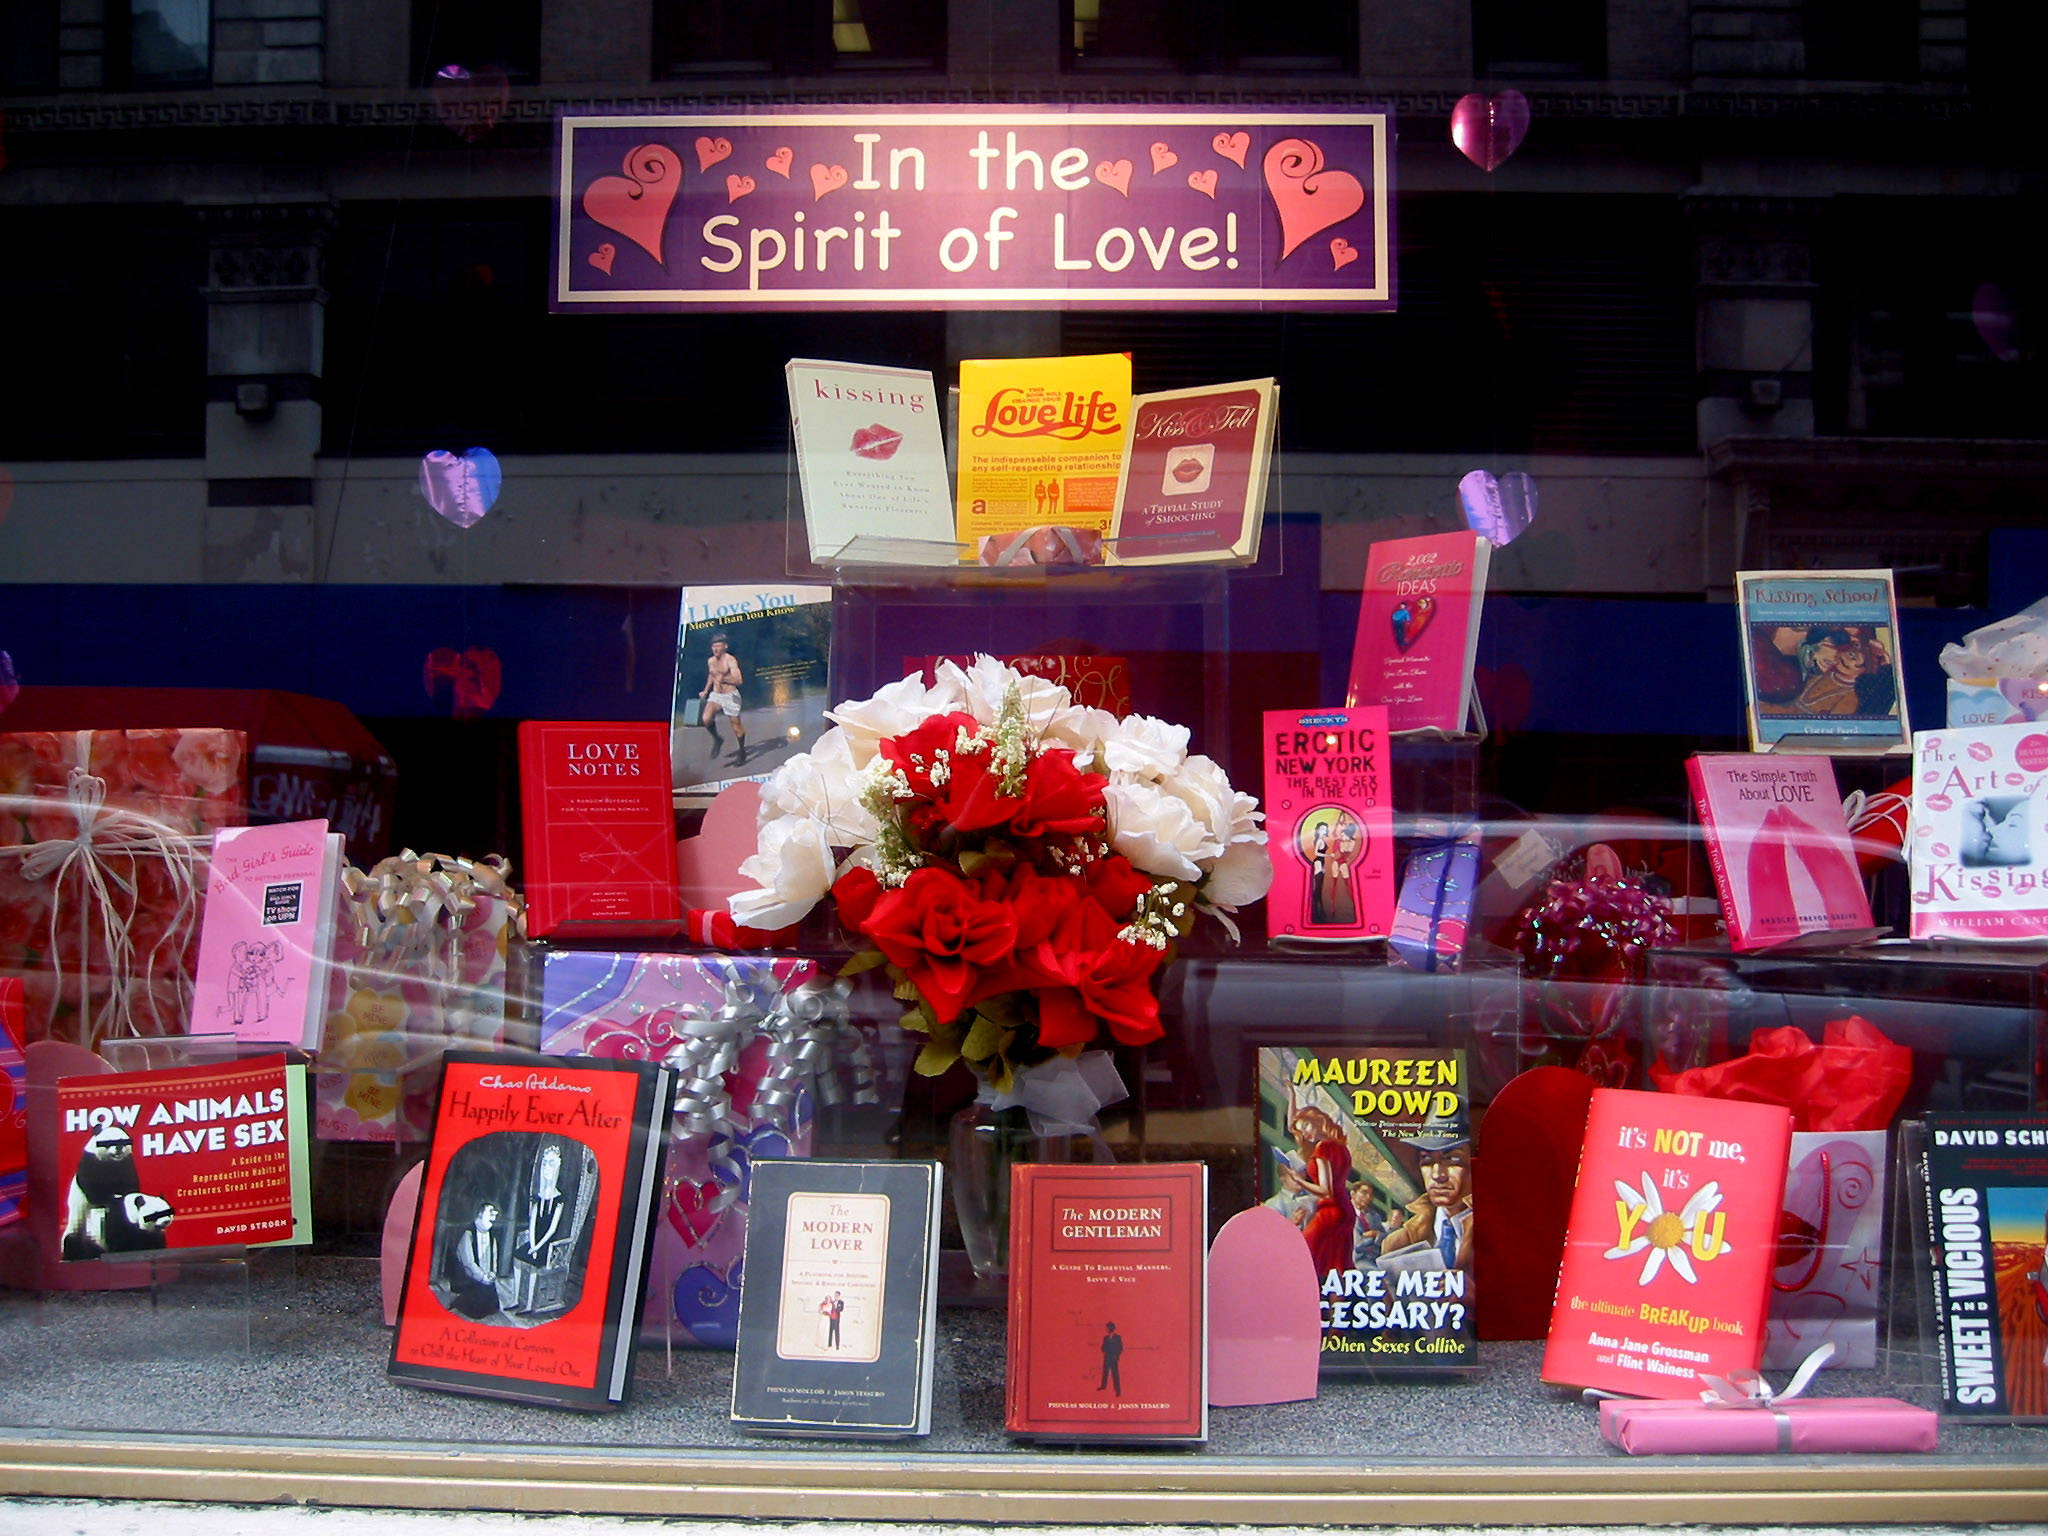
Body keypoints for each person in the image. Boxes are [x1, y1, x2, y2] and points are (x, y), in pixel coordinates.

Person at [1378, 1108, 1474, 1272]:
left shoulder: (1496, 1230)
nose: (1437, 1175)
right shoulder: (1398, 1244)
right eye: (1427, 1160)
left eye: (1452, 1159)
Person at [1278, 1093, 1354, 1284]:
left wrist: (1299, 1180)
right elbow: (1292, 1125)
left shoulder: (1323, 1149)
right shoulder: (1341, 1147)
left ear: (1318, 1120)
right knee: (1337, 1269)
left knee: (1301, 1254)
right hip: (1346, 1211)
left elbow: (1325, 1190)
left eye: (1307, 1126)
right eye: (1302, 1131)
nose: (1305, 1133)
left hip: (1330, 1211)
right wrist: (1292, 1095)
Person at [513, 1142, 566, 1314]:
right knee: (518, 1258)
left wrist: (537, 1247)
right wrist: (532, 1244)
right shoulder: (538, 1195)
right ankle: (515, 1299)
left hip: (547, 1245)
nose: (546, 1167)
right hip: (535, 1239)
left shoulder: (559, 1199)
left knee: (534, 1263)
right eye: (544, 1163)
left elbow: (552, 1229)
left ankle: (529, 1305)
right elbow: (533, 1222)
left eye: (550, 1163)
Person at [697, 632, 747, 767]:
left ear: (725, 646)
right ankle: (717, 739)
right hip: (716, 695)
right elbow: (711, 675)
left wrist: (724, 678)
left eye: (718, 646)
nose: (716, 649)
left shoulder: (730, 660)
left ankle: (742, 751)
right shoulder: (711, 661)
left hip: (731, 695)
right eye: (714, 646)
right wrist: (706, 690)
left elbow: (739, 680)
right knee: (706, 718)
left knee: (736, 726)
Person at [450, 1201, 504, 1320]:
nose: (494, 1215)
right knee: (474, 1308)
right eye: (490, 1212)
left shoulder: (492, 1236)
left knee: (492, 1307)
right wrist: (482, 1277)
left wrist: (492, 1273)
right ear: (480, 1215)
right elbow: (468, 1262)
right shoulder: (468, 1234)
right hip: (470, 1280)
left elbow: (494, 1257)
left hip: (485, 1280)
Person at [1316, 814, 1360, 926]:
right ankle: (1332, 908)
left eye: (1344, 833)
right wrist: (1341, 817)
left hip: (1342, 862)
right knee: (1334, 884)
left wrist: (1344, 843)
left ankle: (1354, 905)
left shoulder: (1350, 842)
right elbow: (1336, 830)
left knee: (1347, 884)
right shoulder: (1340, 839)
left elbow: (1346, 853)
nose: (1342, 834)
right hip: (1336, 862)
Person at [1098, 1320, 1123, 1396]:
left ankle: (1118, 1391)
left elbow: (1120, 1348)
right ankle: (1103, 1386)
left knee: (1115, 1374)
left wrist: (1116, 1356)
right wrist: (1104, 1349)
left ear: (1111, 1328)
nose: (1106, 1329)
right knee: (1105, 1373)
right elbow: (1102, 1348)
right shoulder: (1105, 1338)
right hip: (1107, 1358)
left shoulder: (1118, 1337)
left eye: (1107, 1328)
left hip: (1114, 1358)